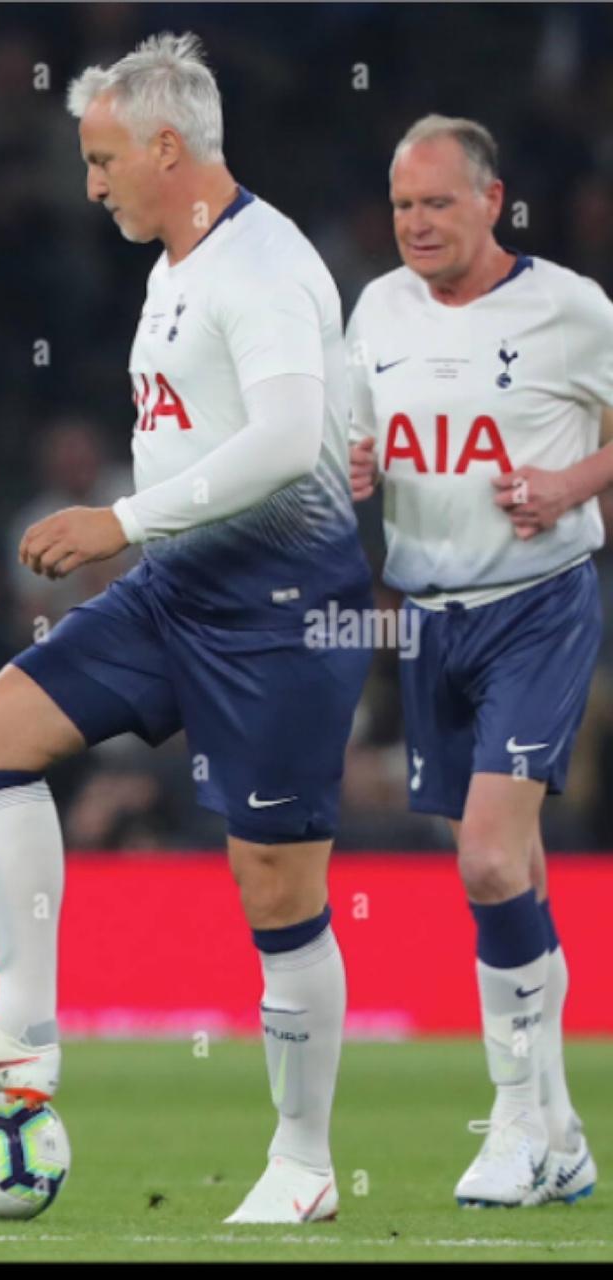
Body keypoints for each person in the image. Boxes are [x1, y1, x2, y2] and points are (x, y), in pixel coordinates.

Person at [0, 32, 372, 1225]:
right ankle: (25, 1017)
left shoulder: (258, 262)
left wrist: (120, 517)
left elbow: (281, 441)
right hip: (178, 590)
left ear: (165, 147)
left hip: (280, 611)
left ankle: (301, 1161)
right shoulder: (182, 258)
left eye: (101, 159)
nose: (89, 184)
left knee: (275, 888)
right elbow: (310, 407)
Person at [346, 114, 603, 1208]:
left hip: (536, 605)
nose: (414, 223)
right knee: (509, 866)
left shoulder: (570, 308)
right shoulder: (375, 308)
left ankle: (507, 1120)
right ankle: (560, 1130)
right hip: (427, 619)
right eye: (402, 205)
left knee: (490, 861)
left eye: (436, 203)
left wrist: (570, 483)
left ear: (490, 202)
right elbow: (356, 437)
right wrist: (352, 462)